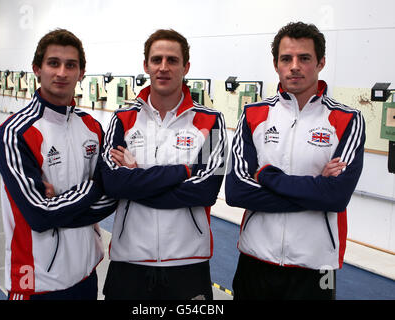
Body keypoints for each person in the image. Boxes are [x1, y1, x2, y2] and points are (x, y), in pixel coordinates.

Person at [225, 22, 365, 300]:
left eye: (304, 58)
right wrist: (316, 190)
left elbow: (336, 197)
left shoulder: (348, 119)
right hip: (256, 257)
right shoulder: (253, 115)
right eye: (286, 58)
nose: (294, 66)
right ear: (276, 64)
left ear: (321, 62)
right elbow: (236, 191)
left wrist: (266, 176)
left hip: (318, 264)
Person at [99, 29, 227, 300]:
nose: (163, 67)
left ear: (186, 67)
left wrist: (137, 179)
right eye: (156, 60)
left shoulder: (212, 121)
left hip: (188, 261)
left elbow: (205, 191)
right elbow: (112, 182)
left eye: (172, 60)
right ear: (146, 65)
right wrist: (183, 172)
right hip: (129, 259)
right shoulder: (122, 118)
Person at [0, 29, 117, 300]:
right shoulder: (15, 132)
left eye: (70, 65)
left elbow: (112, 197)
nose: (62, 73)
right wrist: (95, 185)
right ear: (37, 69)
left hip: (86, 273)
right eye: (53, 63)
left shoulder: (93, 127)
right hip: (38, 281)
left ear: (81, 73)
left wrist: (58, 206)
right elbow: (38, 216)